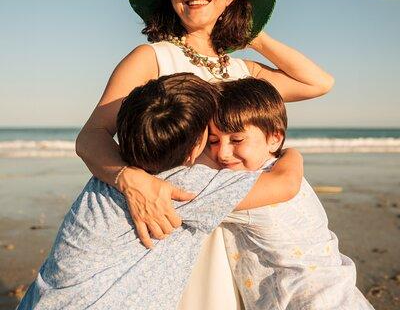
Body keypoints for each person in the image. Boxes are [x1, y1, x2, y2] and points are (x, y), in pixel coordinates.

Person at [75, 0, 334, 309]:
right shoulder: (151, 57)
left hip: (237, 220)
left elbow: (318, 83)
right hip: (170, 214)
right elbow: (90, 136)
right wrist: (130, 181)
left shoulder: (243, 71)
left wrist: (253, 33)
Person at [17, 73, 303, 310]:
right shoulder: (185, 186)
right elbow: (285, 183)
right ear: (194, 150)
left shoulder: (106, 175)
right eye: (210, 138)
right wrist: (289, 151)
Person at [205, 77, 374, 309]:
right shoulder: (279, 168)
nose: (222, 153)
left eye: (236, 139)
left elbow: (177, 198)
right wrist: (292, 153)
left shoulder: (248, 186)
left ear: (275, 138)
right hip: (342, 296)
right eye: (212, 141)